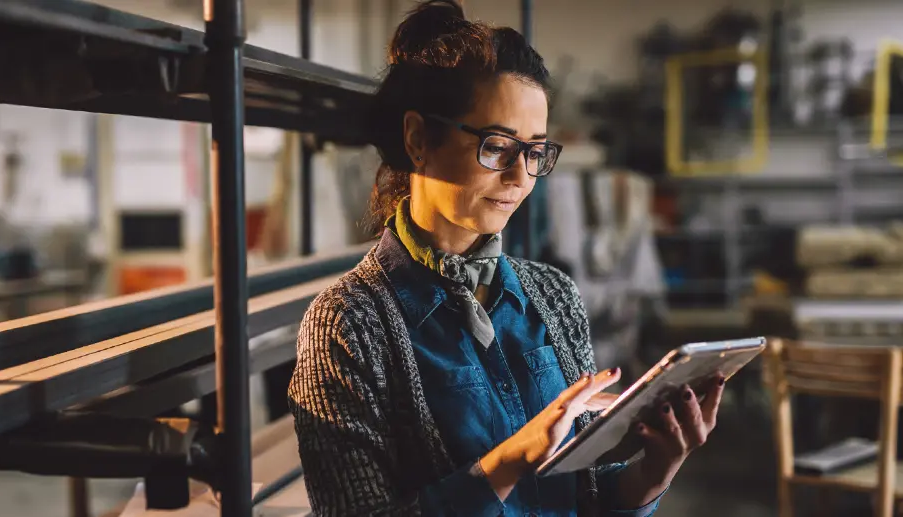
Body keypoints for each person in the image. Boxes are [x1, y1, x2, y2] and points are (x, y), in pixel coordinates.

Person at [288, 2, 725, 515]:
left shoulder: (553, 294)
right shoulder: (346, 325)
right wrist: (510, 462)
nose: (521, 176)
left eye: (535, 151)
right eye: (497, 146)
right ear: (417, 139)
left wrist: (654, 471)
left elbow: (582, 493)